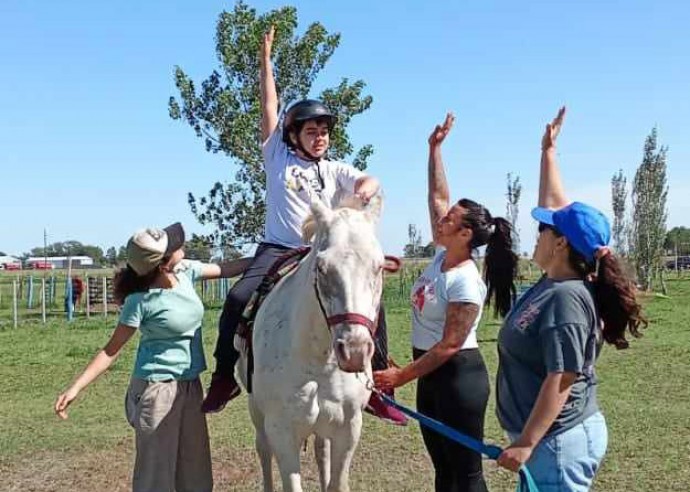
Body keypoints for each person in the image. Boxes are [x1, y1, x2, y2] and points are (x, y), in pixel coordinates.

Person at [201, 26, 407, 425]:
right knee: (238, 298)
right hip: (278, 250)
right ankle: (224, 376)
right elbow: (269, 107)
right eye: (312, 131)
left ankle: (379, 387)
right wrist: (265, 62)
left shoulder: (335, 168)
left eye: (325, 132)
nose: (320, 138)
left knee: (368, 306)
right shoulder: (277, 156)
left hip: (320, 252)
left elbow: (371, 179)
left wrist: (364, 191)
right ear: (292, 135)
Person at [495, 107, 646, 491]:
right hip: (549, 444)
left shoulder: (567, 298)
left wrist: (527, 443)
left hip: (557, 446)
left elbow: (562, 377)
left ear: (560, 242)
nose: (537, 232)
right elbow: (558, 208)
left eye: (544, 229)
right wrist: (547, 152)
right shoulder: (556, 278)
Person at [374, 113, 518, 492]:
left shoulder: (466, 280)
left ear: (465, 233)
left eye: (449, 220)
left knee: (467, 474)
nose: (440, 221)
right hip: (431, 377)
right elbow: (437, 197)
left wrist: (399, 376)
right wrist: (434, 149)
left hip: (459, 379)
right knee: (443, 471)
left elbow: (451, 345)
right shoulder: (441, 256)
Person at [55, 222, 252, 492]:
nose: (180, 245)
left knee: (195, 474)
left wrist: (277, 254)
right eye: (174, 246)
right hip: (156, 391)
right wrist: (75, 388)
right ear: (162, 263)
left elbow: (230, 268)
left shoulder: (185, 272)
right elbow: (111, 350)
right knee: (155, 477)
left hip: (190, 384)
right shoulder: (141, 300)